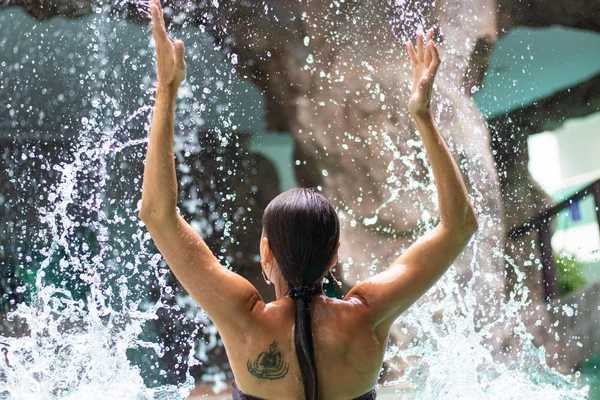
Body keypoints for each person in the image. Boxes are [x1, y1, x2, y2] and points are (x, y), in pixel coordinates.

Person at [139, 0, 478, 398]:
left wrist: (167, 90)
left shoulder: (243, 318)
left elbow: (157, 214)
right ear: (335, 253)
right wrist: (423, 116)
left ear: (266, 253)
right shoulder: (367, 316)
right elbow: (459, 227)